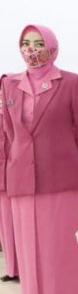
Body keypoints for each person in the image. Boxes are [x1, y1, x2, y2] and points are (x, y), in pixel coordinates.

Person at [1, 24, 78, 294]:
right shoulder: (9, 84)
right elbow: (11, 132)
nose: (32, 49)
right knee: (29, 250)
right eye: (26, 43)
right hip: (22, 179)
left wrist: (70, 167)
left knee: (58, 249)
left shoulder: (71, 83)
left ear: (52, 47)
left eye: (39, 43)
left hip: (61, 179)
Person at [0, 74, 17, 283]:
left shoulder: (14, 110)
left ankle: (21, 268)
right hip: (2, 180)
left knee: (18, 226)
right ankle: (12, 268)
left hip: (15, 176)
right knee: (5, 227)